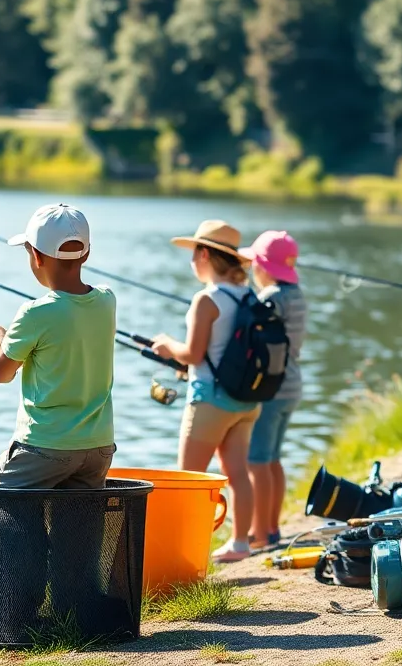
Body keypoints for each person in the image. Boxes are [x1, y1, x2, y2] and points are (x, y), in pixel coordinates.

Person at [0, 203, 118, 489]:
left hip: (45, 447)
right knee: (76, 531)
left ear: (37, 258)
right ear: (86, 253)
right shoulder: (107, 300)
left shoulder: (34, 313)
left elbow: (0, 373)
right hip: (98, 448)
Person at [150, 220, 259, 563]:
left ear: (205, 254)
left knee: (189, 481)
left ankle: (185, 557)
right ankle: (240, 544)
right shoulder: (249, 295)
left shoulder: (207, 299)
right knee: (238, 472)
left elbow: (194, 354)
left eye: (194, 253)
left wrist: (168, 346)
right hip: (246, 401)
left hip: (210, 401)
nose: (192, 261)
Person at [240, 230, 308, 549]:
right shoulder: (296, 294)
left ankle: (259, 534)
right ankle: (272, 526)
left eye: (255, 263)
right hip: (291, 384)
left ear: (264, 267)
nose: (253, 270)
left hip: (270, 388)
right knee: (273, 459)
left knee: (256, 461)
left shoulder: (271, 298)